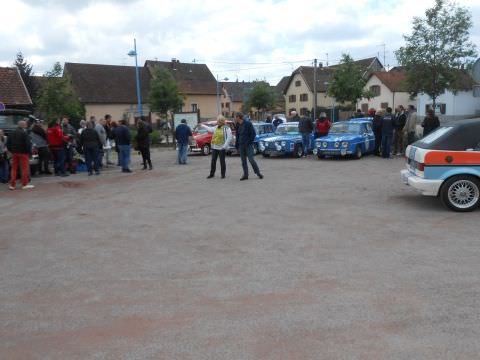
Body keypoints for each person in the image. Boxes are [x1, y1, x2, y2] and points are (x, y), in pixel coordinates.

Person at [6, 120, 34, 190]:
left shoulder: (11, 132)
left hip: (14, 153)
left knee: (14, 168)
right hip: (23, 153)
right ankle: (24, 184)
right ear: (23, 125)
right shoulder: (24, 133)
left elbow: (8, 143)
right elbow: (28, 144)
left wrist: (11, 151)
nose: (26, 125)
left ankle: (12, 185)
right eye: (25, 124)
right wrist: (29, 152)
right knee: (24, 168)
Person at [235, 112, 263, 181]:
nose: (235, 118)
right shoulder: (237, 124)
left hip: (248, 145)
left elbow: (253, 134)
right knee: (243, 161)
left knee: (251, 159)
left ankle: (258, 173)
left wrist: (249, 142)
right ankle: (245, 175)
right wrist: (237, 144)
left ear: (239, 117)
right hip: (241, 145)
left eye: (235, 117)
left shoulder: (248, 124)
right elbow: (237, 135)